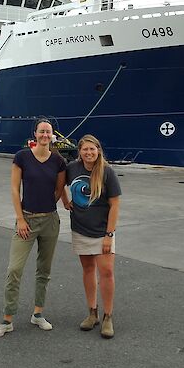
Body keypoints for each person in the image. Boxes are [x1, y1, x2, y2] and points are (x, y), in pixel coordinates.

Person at [0, 119, 67, 338]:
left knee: (44, 270)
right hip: (27, 220)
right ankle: (7, 319)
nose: (45, 134)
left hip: (50, 221)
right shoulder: (22, 157)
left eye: (48, 132)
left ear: (52, 135)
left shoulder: (58, 161)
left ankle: (38, 313)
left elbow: (59, 190)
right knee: (14, 269)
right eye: (41, 131)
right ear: (35, 134)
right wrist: (20, 218)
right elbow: (15, 189)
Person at [62, 134, 121, 339]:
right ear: (80, 151)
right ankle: (92, 313)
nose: (89, 153)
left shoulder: (107, 172)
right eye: (85, 149)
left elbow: (114, 205)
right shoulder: (72, 169)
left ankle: (108, 316)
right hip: (80, 228)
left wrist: (109, 235)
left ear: (98, 150)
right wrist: (64, 200)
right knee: (88, 269)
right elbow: (59, 182)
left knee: (106, 271)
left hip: (102, 231)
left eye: (92, 149)